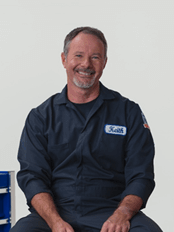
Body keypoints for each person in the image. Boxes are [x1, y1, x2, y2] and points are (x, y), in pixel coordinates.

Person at [10, 27, 162, 232]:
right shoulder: (41, 117)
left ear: (105, 63)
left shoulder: (128, 112)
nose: (86, 64)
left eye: (95, 57)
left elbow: (141, 175)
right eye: (78, 56)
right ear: (64, 60)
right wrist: (55, 222)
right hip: (55, 212)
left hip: (111, 210)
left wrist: (122, 215)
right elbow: (32, 177)